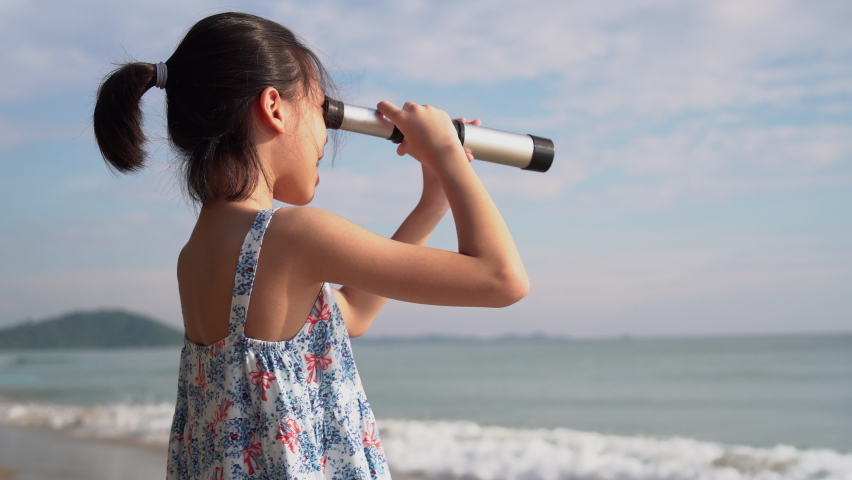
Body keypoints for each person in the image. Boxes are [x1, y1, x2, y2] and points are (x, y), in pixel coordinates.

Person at [93, 11, 528, 480]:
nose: (326, 136)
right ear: (274, 107)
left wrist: (433, 201)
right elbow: (501, 279)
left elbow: (353, 314)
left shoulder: (197, 253)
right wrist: (446, 153)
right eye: (323, 112)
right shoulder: (292, 235)